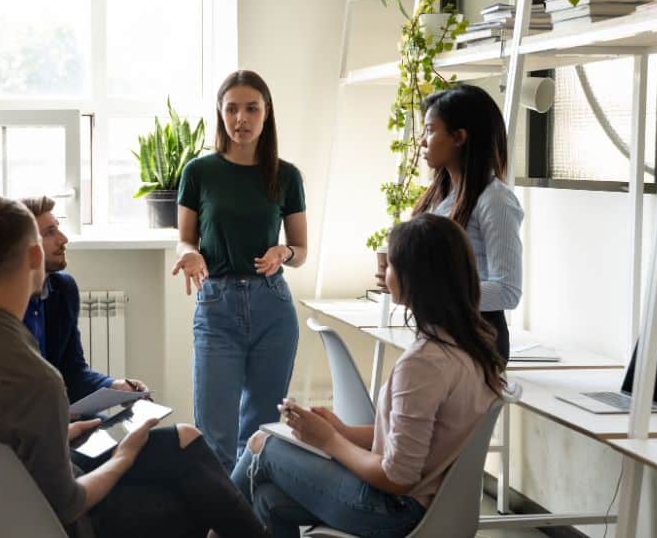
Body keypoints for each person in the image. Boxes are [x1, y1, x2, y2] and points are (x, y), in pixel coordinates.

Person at [0, 196, 268, 538]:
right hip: (37, 520)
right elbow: (67, 504)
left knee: (186, 441)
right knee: (189, 499)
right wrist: (122, 458)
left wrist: (61, 433)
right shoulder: (37, 377)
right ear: (34, 257)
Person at [232, 214, 505, 538]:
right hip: (423, 505)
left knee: (263, 444)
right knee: (269, 498)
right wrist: (342, 430)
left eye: (389, 263)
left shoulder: (424, 364)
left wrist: (329, 441)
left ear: (416, 278)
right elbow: (416, 437)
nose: (381, 270)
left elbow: (398, 477)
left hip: (395, 511)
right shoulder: (469, 346)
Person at [173, 70, 307, 472]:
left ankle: (244, 522)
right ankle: (220, 523)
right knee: (214, 436)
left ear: (266, 115)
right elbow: (185, 239)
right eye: (232, 109)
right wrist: (190, 255)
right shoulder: (199, 172)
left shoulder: (287, 175)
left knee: (260, 435)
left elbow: (301, 250)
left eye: (252, 109)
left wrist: (283, 251)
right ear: (220, 112)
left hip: (273, 308)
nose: (241, 119)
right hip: (217, 307)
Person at [376, 84, 523, 361]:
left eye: (430, 130)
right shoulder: (441, 197)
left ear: (459, 137)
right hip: (441, 334)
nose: (422, 140)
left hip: (476, 342)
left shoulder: (495, 201)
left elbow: (507, 291)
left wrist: (425, 289)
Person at [0, 196, 148, 404]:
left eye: (58, 228)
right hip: (21, 427)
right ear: (26, 246)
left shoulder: (64, 289)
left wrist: (114, 386)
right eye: (49, 233)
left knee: (179, 432)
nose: (63, 239)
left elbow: (73, 371)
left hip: (57, 418)